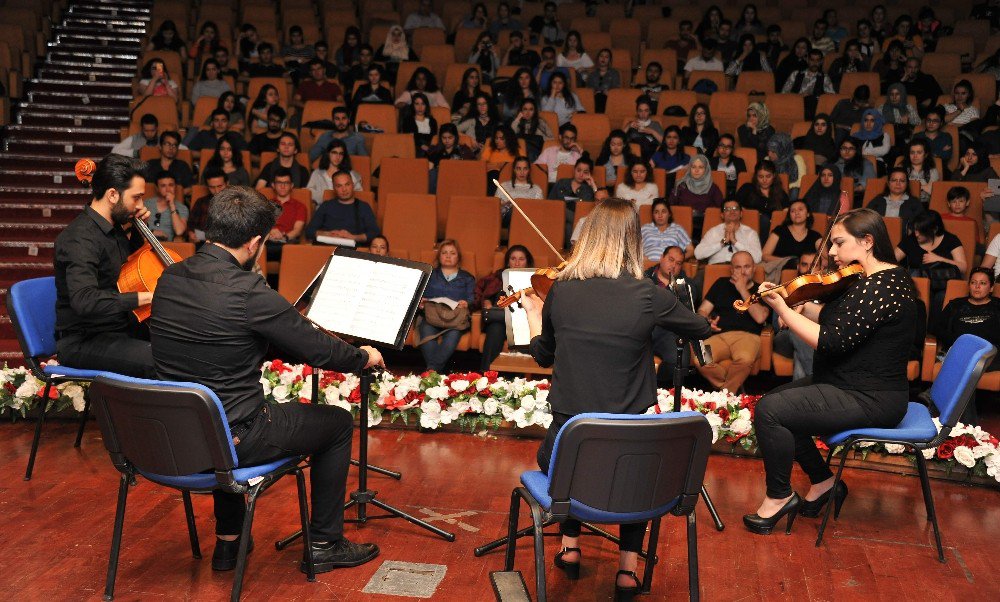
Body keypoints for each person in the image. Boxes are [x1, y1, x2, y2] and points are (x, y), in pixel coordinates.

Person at [149, 185, 383, 574]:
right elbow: (320, 350)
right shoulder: (249, 291)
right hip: (235, 439)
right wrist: (363, 357)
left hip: (177, 434)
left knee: (217, 402)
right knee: (338, 423)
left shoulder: (170, 278)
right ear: (256, 242)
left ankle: (229, 543)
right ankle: (325, 544)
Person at [519, 197, 710, 598]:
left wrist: (534, 315)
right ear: (632, 242)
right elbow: (700, 326)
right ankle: (627, 569)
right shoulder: (647, 295)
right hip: (634, 451)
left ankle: (569, 548)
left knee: (565, 456)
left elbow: (544, 353)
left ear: (588, 237)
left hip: (568, 445)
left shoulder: (563, 290)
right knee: (636, 467)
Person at [748, 208, 920, 535]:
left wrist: (784, 309)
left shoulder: (883, 286)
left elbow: (829, 341)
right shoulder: (868, 279)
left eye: (839, 243)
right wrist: (796, 301)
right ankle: (825, 482)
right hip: (848, 383)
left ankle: (779, 497)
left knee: (773, 411)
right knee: (775, 402)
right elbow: (833, 317)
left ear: (867, 241)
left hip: (870, 396)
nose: (831, 252)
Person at [53, 154, 155, 377]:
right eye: (136, 198)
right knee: (159, 362)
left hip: (118, 330)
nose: (140, 206)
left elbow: (128, 268)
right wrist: (146, 297)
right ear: (112, 195)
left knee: (185, 351)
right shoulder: (79, 238)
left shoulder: (116, 229)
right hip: (84, 340)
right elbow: (85, 300)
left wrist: (139, 230)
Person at [695, 251, 769, 392]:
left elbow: (760, 317)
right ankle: (728, 391)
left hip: (748, 337)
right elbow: (702, 311)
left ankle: (723, 397)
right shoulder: (721, 284)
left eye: (746, 267)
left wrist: (742, 289)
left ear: (754, 268)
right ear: (731, 269)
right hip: (719, 336)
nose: (742, 272)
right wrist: (707, 321)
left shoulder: (761, 290)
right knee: (701, 357)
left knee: (745, 359)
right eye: (737, 267)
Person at [935, 268, 1000, 424]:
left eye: (983, 283)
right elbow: (936, 328)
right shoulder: (955, 305)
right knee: (968, 366)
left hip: (990, 354)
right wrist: (961, 343)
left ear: (991, 288)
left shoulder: (998, 307)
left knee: (970, 365)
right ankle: (968, 424)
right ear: (969, 285)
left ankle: (933, 398)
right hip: (960, 352)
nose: (977, 287)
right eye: (973, 282)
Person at [895, 210, 967, 322]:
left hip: (943, 283)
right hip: (919, 283)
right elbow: (891, 260)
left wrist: (939, 259)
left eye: (921, 231)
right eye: (915, 229)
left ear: (934, 230)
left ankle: (933, 333)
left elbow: (963, 267)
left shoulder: (950, 240)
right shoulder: (911, 240)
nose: (916, 234)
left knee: (940, 298)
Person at [645, 245, 703, 385]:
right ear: (661, 258)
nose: (673, 266)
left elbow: (691, 298)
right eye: (670, 260)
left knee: (681, 361)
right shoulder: (644, 278)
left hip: (668, 332)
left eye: (678, 263)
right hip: (643, 328)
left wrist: (674, 289)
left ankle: (660, 388)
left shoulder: (686, 285)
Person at [417, 240, 476, 372]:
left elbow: (472, 299)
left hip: (455, 320)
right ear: (439, 256)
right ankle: (436, 373)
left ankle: (432, 371)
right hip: (431, 317)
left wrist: (467, 303)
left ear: (458, 257)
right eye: (444, 253)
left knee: (452, 338)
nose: (448, 256)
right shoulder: (430, 274)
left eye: (452, 253)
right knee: (426, 335)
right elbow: (419, 294)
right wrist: (421, 301)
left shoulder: (467, 278)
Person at [477, 245, 534, 371]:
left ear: (527, 261)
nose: (517, 262)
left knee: (521, 328)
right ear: (508, 261)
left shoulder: (534, 279)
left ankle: (519, 378)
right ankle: (487, 375)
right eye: (513, 259)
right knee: (495, 328)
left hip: (524, 320)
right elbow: (483, 293)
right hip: (501, 320)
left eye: (521, 259)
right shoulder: (499, 277)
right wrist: (486, 301)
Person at [770, 251, 821, 380]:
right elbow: (779, 326)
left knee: (800, 352)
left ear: (820, 269)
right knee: (796, 332)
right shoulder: (785, 289)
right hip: (785, 339)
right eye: (804, 265)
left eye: (813, 265)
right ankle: (816, 378)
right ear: (798, 267)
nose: (809, 269)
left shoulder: (826, 291)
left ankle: (803, 391)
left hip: (814, 342)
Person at [306, 171, 379, 245]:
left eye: (347, 184)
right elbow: (309, 231)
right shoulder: (326, 206)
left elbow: (374, 233)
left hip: (353, 250)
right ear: (334, 188)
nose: (344, 189)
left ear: (353, 185)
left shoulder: (363, 207)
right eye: (339, 186)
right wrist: (329, 234)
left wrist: (353, 237)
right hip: (327, 248)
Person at [695, 200, 763, 264]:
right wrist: (722, 242)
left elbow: (757, 258)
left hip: (741, 270)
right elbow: (698, 254)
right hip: (716, 269)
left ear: (741, 214)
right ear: (722, 215)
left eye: (735, 208)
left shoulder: (750, 233)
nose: (732, 211)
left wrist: (735, 242)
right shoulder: (713, 232)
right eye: (727, 209)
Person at [669, 154, 724, 234]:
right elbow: (671, 205)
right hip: (680, 226)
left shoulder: (713, 188)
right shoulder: (681, 185)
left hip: (705, 227)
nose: (696, 170)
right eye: (693, 167)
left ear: (706, 169)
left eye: (700, 167)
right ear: (689, 168)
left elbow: (720, 209)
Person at [737, 160, 790, 238]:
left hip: (772, 232)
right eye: (761, 177)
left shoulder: (780, 193)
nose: (764, 180)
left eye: (768, 176)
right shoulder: (747, 188)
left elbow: (786, 212)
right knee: (764, 220)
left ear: (774, 176)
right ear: (756, 176)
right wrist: (752, 215)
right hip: (747, 226)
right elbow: (734, 205)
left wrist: (775, 220)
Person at [263, 169, 308, 261]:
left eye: (286, 183)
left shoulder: (300, 206)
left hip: (287, 242)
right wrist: (270, 232)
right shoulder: (265, 205)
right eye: (279, 182)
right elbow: (260, 226)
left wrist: (283, 236)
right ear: (273, 185)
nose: (282, 186)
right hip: (267, 241)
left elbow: (297, 230)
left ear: (291, 185)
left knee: (286, 250)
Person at [761, 200, 822, 268]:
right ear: (789, 215)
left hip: (807, 275)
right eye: (793, 211)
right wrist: (788, 262)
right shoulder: (779, 230)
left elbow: (826, 258)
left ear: (808, 214)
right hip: (780, 271)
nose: (796, 212)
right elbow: (764, 255)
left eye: (800, 209)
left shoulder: (815, 235)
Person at [781, 48, 835, 119]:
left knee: (811, 100)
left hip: (814, 107)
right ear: (807, 60)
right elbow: (784, 93)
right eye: (812, 60)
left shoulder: (824, 77)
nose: (815, 63)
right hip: (795, 104)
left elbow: (831, 97)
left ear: (821, 61)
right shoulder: (796, 74)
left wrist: (815, 97)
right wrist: (799, 96)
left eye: (817, 60)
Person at [307, 139, 363, 204]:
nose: (338, 157)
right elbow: (309, 193)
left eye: (341, 154)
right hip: (324, 208)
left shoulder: (350, 174)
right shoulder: (317, 173)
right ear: (328, 154)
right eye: (334, 153)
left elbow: (359, 194)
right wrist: (328, 196)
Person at [867, 167, 924, 232]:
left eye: (902, 181)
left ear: (907, 184)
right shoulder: (878, 200)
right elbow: (866, 218)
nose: (898, 184)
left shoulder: (915, 203)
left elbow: (921, 224)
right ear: (888, 183)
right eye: (894, 180)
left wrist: (910, 231)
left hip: (905, 239)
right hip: (879, 237)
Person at [143, 171, 187, 241]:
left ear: (175, 186)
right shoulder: (147, 203)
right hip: (145, 242)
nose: (168, 189)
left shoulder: (182, 208)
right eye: (163, 186)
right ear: (157, 188)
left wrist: (172, 205)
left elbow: (179, 231)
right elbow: (137, 227)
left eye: (171, 185)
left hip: (166, 246)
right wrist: (152, 232)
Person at [187, 168, 227, 244]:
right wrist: (191, 234)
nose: (216, 191)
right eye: (212, 187)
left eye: (220, 186)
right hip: (203, 245)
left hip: (227, 246)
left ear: (227, 183)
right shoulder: (201, 202)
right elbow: (191, 224)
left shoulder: (235, 203)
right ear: (208, 187)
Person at [623, 96, 663, 162]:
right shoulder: (631, 124)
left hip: (650, 157)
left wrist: (652, 132)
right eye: (640, 111)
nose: (643, 114)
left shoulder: (655, 124)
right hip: (633, 157)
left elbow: (665, 142)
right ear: (637, 112)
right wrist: (628, 126)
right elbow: (619, 139)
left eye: (646, 111)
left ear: (650, 111)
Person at [766, 133, 806, 200]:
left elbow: (801, 181)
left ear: (782, 150)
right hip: (772, 189)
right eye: (768, 151)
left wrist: (785, 187)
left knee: (795, 190)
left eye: (773, 151)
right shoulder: (767, 160)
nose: (769, 154)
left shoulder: (797, 159)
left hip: (791, 190)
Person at [400, 92, 439, 157]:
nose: (420, 107)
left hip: (430, 148)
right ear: (413, 105)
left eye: (423, 104)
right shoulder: (408, 121)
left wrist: (416, 135)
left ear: (426, 106)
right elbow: (408, 138)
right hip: (414, 148)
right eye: (417, 104)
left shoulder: (432, 121)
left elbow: (433, 137)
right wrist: (421, 144)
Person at [901, 139, 939, 204]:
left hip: (925, 204)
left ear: (926, 155)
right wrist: (923, 187)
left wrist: (911, 187)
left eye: (919, 152)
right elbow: (898, 189)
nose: (915, 156)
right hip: (904, 203)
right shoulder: (901, 169)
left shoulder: (932, 171)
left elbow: (932, 191)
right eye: (912, 152)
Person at [710, 134, 746, 199]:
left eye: (728, 147)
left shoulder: (739, 161)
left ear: (732, 149)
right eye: (722, 146)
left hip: (734, 194)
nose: (724, 149)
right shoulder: (711, 161)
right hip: (715, 193)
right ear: (717, 147)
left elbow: (742, 181)